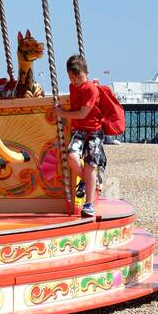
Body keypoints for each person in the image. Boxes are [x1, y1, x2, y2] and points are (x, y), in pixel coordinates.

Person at [47, 54, 111, 217]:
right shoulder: (72, 86)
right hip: (79, 131)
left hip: (93, 131)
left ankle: (88, 203)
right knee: (72, 156)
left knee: (90, 164)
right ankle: (87, 181)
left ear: (85, 73)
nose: (75, 81)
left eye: (78, 77)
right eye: (72, 78)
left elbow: (83, 113)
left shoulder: (91, 88)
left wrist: (63, 113)